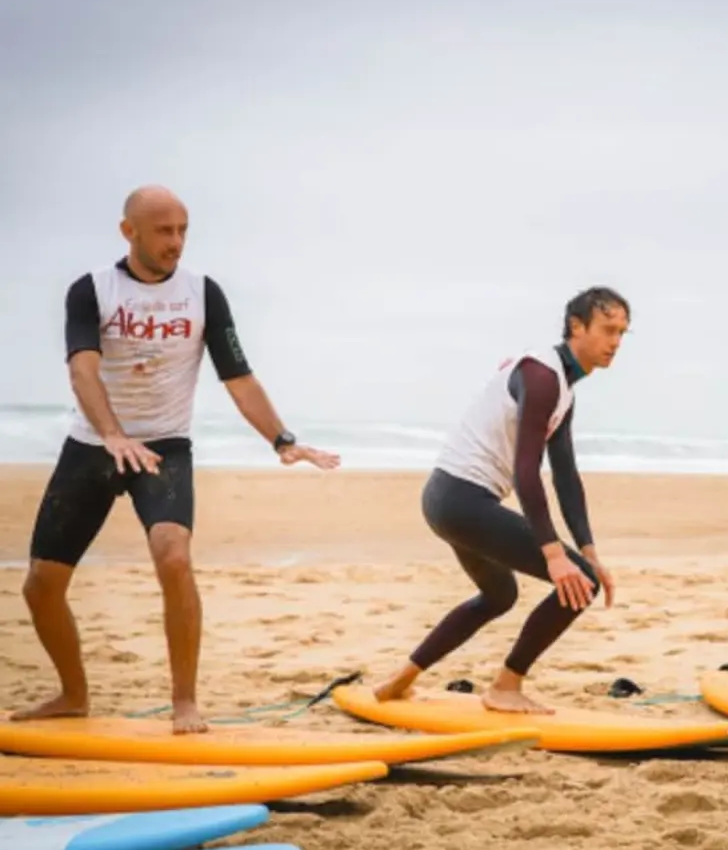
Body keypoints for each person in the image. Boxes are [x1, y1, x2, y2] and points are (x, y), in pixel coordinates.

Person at [11, 185, 341, 734]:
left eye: (183, 229)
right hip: (94, 446)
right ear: (129, 232)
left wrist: (282, 440)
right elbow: (83, 370)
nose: (176, 242)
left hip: (164, 446)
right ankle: (72, 695)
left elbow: (239, 377)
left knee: (174, 556)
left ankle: (184, 702)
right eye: (164, 231)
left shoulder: (202, 293)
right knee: (41, 584)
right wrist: (112, 434)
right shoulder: (92, 290)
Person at [372, 287, 630, 715]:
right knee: (578, 585)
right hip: (462, 498)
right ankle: (506, 686)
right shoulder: (543, 376)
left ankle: (401, 680)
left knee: (500, 595)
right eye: (607, 330)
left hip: (448, 499)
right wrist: (554, 555)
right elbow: (525, 471)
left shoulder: (562, 385)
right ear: (576, 327)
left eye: (622, 332)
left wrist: (588, 551)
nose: (616, 342)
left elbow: (565, 474)